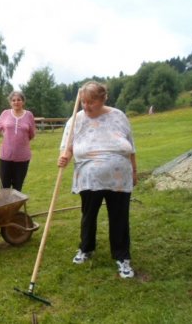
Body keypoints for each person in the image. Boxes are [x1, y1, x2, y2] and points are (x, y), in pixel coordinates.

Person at [58, 81, 138, 279]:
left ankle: (122, 257)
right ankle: (86, 249)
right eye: (83, 102)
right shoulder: (76, 120)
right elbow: (67, 146)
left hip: (119, 177)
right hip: (89, 178)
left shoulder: (118, 116)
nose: (86, 106)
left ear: (103, 99)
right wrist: (65, 156)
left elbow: (131, 146)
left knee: (119, 217)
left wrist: (135, 171)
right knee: (89, 215)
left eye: (91, 102)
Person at [0, 90, 36, 191]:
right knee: (3, 186)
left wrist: (21, 142)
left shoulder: (29, 115)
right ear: (10, 102)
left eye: (19, 100)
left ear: (23, 102)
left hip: (22, 158)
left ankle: (15, 207)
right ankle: (4, 207)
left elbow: (31, 134)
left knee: (17, 187)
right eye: (13, 100)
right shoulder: (5, 113)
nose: (16, 102)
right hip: (5, 157)